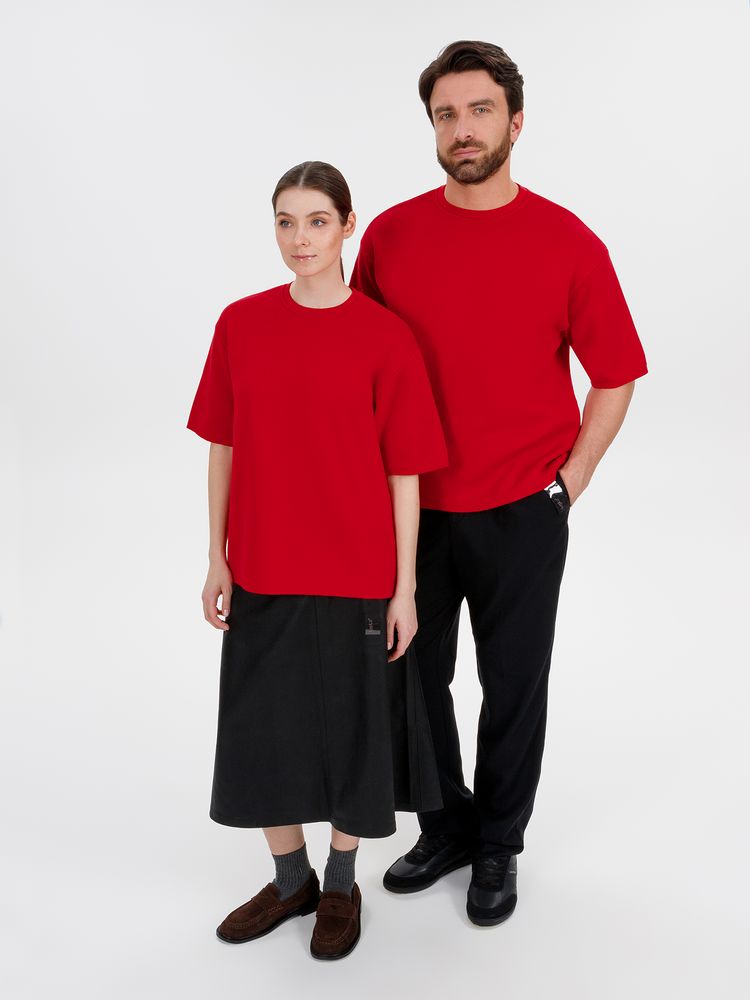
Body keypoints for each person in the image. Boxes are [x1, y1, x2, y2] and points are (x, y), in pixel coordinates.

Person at [350, 39, 649, 927]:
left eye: (480, 110)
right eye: (446, 114)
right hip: (414, 506)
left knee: (515, 685)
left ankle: (498, 843)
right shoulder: (392, 236)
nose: (463, 129)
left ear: (516, 122)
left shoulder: (568, 241)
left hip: (524, 506)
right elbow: (357, 362)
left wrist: (570, 482)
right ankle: (444, 826)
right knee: (414, 678)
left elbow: (616, 374)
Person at [186, 161, 448, 959]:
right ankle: (289, 878)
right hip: (263, 564)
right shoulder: (241, 324)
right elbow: (223, 446)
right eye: (285, 221)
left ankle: (340, 884)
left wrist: (404, 587)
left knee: (352, 734)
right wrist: (216, 556)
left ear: (347, 225)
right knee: (264, 730)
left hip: (356, 571)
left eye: (317, 221)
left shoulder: (384, 335)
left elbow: (405, 471)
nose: (300, 239)